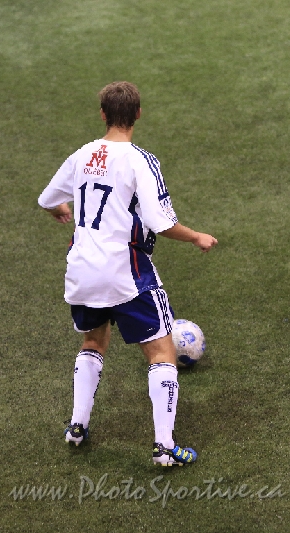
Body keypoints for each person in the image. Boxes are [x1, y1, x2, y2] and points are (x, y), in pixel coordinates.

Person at [38, 82, 218, 466]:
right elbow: (161, 222)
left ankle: (77, 427)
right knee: (161, 352)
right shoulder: (140, 160)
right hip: (126, 271)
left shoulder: (82, 154)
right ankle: (164, 447)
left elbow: (48, 199)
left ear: (103, 114)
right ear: (138, 114)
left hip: (82, 269)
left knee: (93, 342)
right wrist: (196, 237)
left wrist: (60, 209)